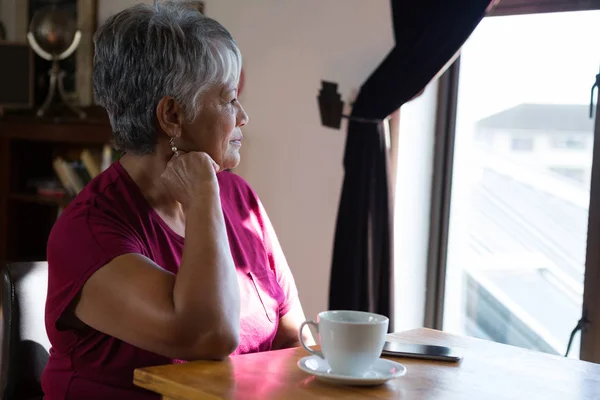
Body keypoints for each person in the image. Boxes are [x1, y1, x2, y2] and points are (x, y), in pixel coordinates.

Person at [41, 2, 311, 399]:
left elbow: (294, 343)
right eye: (229, 99)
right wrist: (203, 197)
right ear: (171, 115)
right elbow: (207, 334)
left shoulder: (242, 201)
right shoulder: (87, 232)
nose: (243, 117)